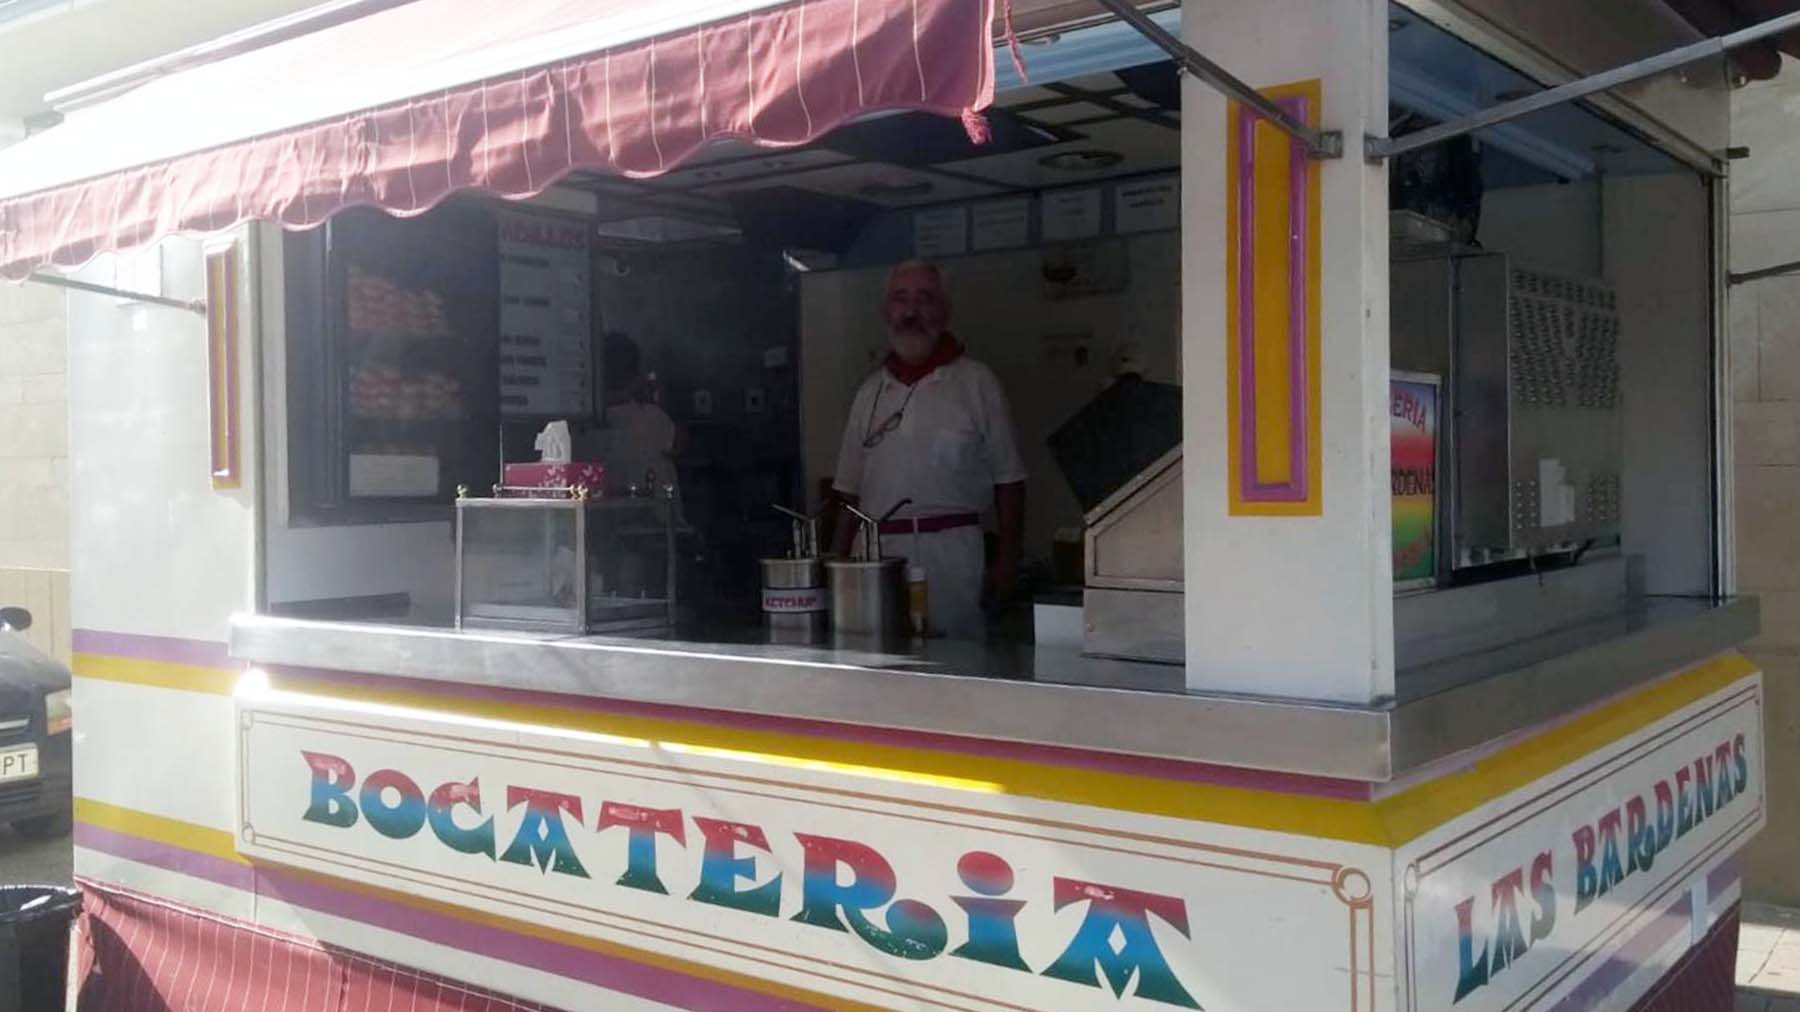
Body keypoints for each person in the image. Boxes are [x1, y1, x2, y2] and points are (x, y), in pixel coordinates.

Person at [830, 260, 1027, 640]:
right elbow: (846, 492)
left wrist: (1007, 564)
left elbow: (1010, 481)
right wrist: (835, 566)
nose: (911, 310)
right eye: (900, 298)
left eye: (925, 298)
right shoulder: (869, 392)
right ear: (886, 310)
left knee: (955, 670)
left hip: (951, 556)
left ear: (944, 311)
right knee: (874, 672)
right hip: (874, 557)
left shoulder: (977, 383)